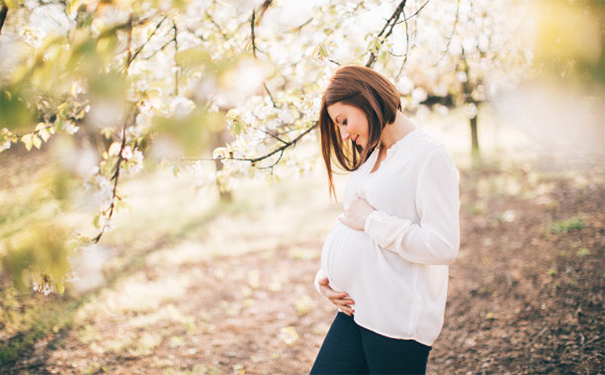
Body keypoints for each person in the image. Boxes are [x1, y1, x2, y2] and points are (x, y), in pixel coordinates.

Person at [310, 65, 460, 375]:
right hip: (357, 309)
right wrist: (328, 276)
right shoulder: (375, 153)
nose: (343, 133)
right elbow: (356, 221)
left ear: (366, 99)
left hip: (395, 318)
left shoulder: (428, 156)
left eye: (343, 121)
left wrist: (372, 221)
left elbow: (443, 246)